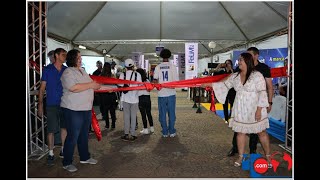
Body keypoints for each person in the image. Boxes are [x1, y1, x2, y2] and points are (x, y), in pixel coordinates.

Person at [203, 52, 272, 167]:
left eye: (241, 60)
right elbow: (223, 85)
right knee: (240, 133)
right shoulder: (235, 76)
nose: (238, 62)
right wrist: (207, 84)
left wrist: (259, 110)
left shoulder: (257, 75)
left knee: (261, 132)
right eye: (239, 60)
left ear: (247, 62)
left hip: (255, 108)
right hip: (240, 108)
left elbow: (262, 92)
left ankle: (268, 156)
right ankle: (241, 156)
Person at [227, 47, 274, 156]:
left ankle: (254, 151)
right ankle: (236, 150)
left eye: (249, 55)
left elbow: (269, 87)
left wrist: (269, 102)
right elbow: (227, 82)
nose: (245, 58)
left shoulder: (263, 69)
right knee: (239, 130)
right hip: (241, 106)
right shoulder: (238, 71)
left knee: (258, 131)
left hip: (256, 105)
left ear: (256, 56)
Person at [60, 49, 101, 172]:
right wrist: (91, 85)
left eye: (80, 57)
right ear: (73, 58)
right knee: (72, 136)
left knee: (84, 135)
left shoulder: (83, 71)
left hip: (85, 109)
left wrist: (108, 88)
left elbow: (93, 85)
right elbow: (73, 88)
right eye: (79, 57)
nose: (81, 59)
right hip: (73, 109)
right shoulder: (68, 72)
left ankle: (84, 157)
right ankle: (67, 162)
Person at [38, 48, 67, 166]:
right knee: (51, 129)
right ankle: (50, 153)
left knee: (64, 128)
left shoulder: (66, 70)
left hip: (65, 103)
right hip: (51, 104)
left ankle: (63, 150)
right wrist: (40, 105)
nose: (65, 56)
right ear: (56, 55)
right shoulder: (48, 69)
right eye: (63, 54)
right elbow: (42, 89)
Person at [153, 49, 179, 137]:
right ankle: (172, 131)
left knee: (162, 113)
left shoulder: (158, 67)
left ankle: (164, 131)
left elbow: (155, 80)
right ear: (169, 56)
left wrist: (159, 86)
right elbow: (176, 82)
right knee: (172, 113)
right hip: (171, 93)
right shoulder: (173, 67)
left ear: (161, 56)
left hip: (161, 94)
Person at [119, 59, 142, 141]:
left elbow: (120, 85)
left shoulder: (122, 75)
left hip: (125, 98)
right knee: (133, 116)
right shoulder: (138, 75)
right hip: (135, 98)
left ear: (125, 66)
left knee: (126, 116)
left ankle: (126, 133)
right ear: (133, 66)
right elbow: (140, 85)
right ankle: (133, 134)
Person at [214, 60, 236, 124]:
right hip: (224, 90)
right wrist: (218, 67)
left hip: (232, 90)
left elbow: (235, 77)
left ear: (231, 64)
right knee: (225, 104)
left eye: (228, 63)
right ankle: (226, 118)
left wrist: (231, 69)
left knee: (233, 104)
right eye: (226, 64)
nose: (227, 65)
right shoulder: (222, 72)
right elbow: (214, 75)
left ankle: (232, 117)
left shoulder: (234, 71)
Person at [136, 68, 154, 135]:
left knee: (143, 114)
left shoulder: (137, 81)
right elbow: (149, 90)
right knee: (149, 113)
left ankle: (145, 129)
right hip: (147, 97)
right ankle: (152, 127)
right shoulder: (147, 80)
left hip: (140, 98)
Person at [100, 62, 118, 129]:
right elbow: (115, 84)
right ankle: (113, 125)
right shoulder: (112, 75)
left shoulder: (101, 76)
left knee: (105, 111)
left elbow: (99, 85)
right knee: (112, 111)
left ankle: (107, 125)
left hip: (104, 95)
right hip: (112, 95)